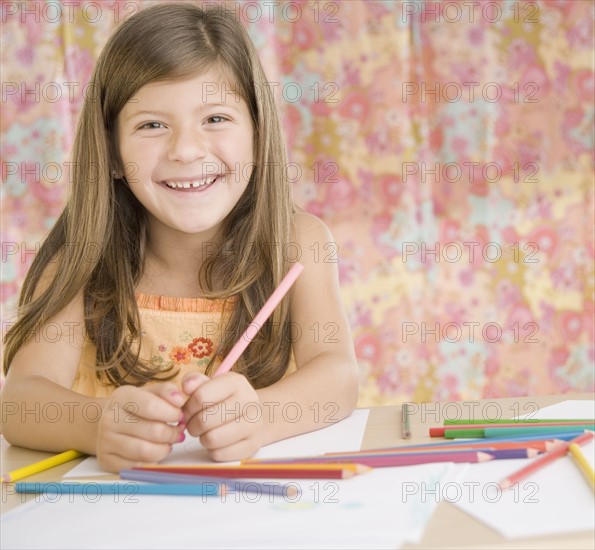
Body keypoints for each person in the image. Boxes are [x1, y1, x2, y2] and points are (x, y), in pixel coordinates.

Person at [1, 2, 358, 473]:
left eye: (215, 118)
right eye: (152, 125)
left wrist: (262, 417)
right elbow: (20, 403)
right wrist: (100, 423)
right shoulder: (83, 258)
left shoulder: (298, 243)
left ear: (258, 131)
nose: (186, 150)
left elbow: (338, 376)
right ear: (110, 152)